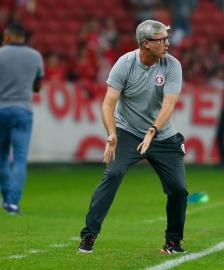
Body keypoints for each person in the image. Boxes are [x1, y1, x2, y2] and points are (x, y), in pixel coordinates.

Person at [78, 20, 188, 254]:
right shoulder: (125, 64)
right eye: (162, 40)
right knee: (113, 173)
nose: (167, 43)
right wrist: (111, 134)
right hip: (128, 132)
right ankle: (88, 236)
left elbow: (169, 105)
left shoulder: (172, 65)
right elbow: (108, 103)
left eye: (167, 38)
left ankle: (172, 242)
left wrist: (152, 132)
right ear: (146, 44)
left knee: (178, 189)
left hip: (163, 135)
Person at [0, 22, 44, 214]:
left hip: (1, 109)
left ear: (8, 36)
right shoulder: (35, 56)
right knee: (19, 159)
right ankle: (13, 202)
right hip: (22, 110)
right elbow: (37, 87)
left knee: (1, 158)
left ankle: (6, 196)